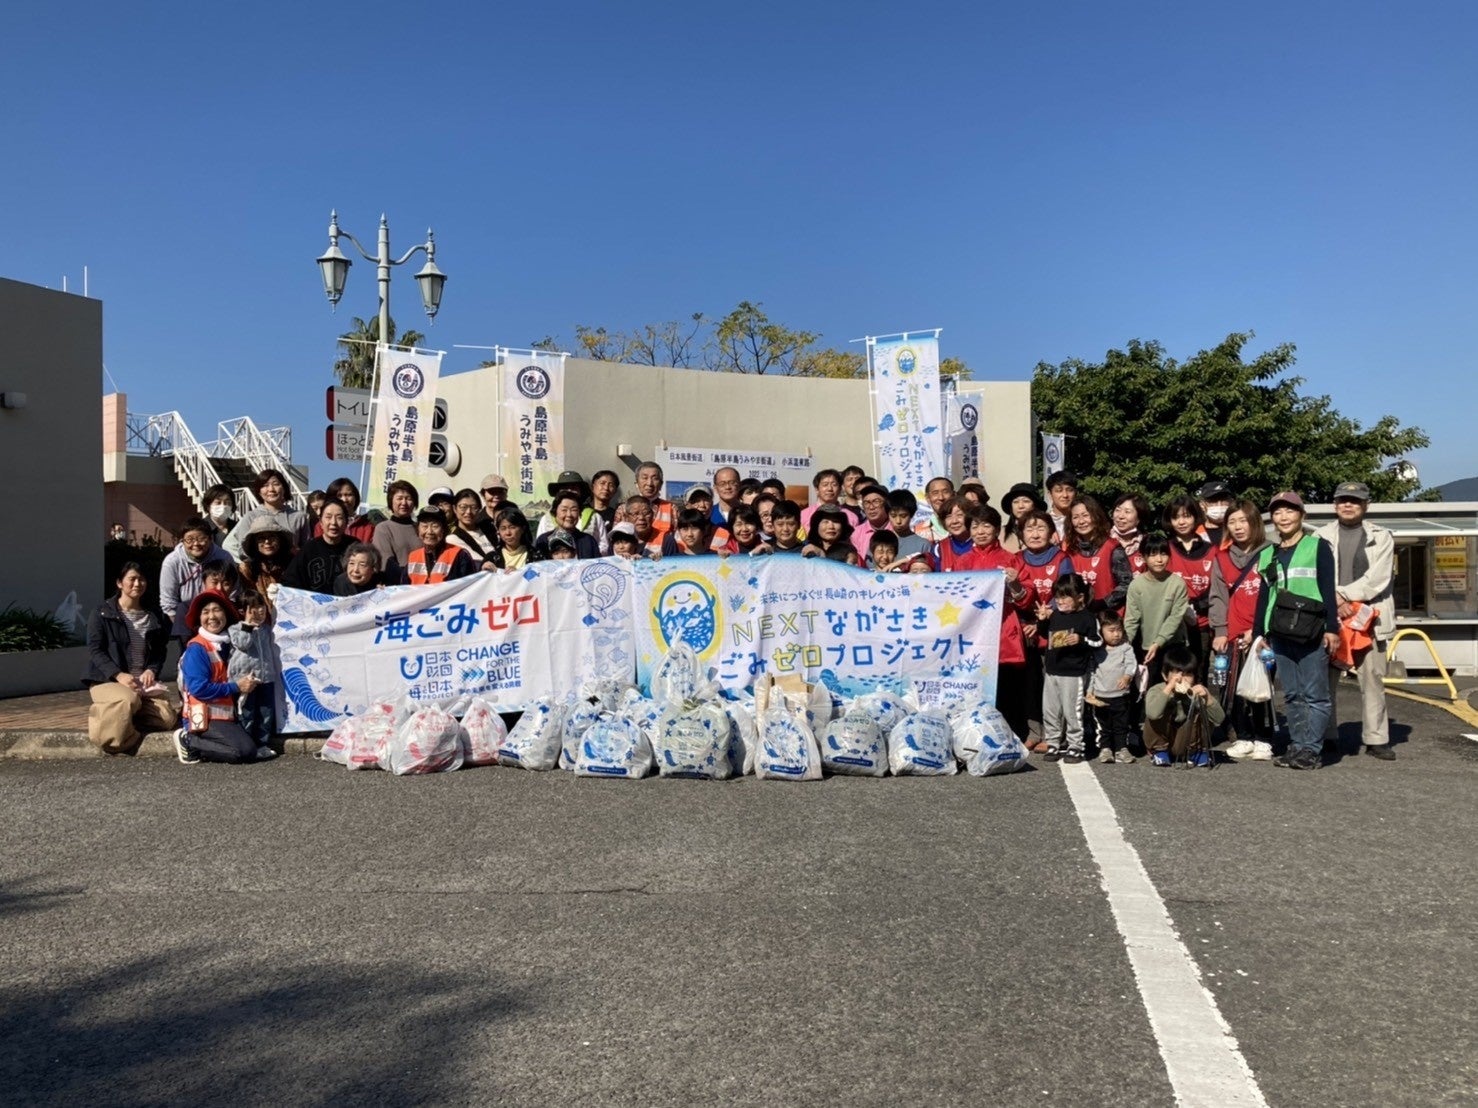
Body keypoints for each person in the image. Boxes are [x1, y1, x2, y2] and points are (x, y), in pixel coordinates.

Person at [1254, 491, 1341, 771]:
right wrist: (1260, 633)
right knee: (1292, 694)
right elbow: (1264, 596)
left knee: (1316, 694)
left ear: (1302, 515)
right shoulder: (1267, 552)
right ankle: (1296, 746)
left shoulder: (1317, 547)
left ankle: (1311, 750)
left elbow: (1328, 588)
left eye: (1290, 511)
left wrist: (1332, 628)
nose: (1284, 517)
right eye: (1278, 512)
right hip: (1279, 632)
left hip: (1312, 630)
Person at [1316, 481, 1396, 760]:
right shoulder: (1319, 535)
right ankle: (1327, 736)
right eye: (1342, 500)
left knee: (1372, 679)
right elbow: (1316, 574)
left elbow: (1379, 578)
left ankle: (1377, 738)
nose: (1347, 505)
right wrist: (1335, 602)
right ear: (1335, 505)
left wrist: (1341, 596)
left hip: (1370, 617)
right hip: (1331, 616)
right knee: (1326, 680)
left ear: (1366, 505)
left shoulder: (1382, 536)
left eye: (1354, 500)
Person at [82, 563, 175, 755]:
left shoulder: (154, 616)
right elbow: (95, 650)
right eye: (132, 579)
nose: (137, 584)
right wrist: (118, 675)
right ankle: (110, 729)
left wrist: (151, 670)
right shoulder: (102, 613)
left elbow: (159, 650)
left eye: (141, 579)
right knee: (129, 699)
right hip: (106, 680)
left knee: (166, 718)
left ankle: (121, 716)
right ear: (119, 583)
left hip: (140, 684)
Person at [174, 590, 276, 765]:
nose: (212, 617)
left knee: (250, 743)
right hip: (204, 718)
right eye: (206, 612)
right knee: (243, 752)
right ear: (199, 618)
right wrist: (237, 687)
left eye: (217, 610)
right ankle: (189, 741)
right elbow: (199, 689)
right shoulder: (197, 648)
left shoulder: (228, 642)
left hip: (226, 715)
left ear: (226, 614)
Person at [1210, 499, 1276, 760]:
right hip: (1233, 634)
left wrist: (1259, 630)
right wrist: (1220, 631)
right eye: (1232, 522)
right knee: (1232, 687)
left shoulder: (1271, 552)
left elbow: (1276, 594)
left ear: (1255, 522)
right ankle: (1243, 736)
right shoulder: (1222, 557)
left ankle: (1263, 738)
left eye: (1243, 521)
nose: (1237, 527)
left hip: (1262, 634)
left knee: (1263, 685)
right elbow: (1217, 597)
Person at [1016, 509, 1073, 752]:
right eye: (1030, 528)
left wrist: (1045, 615)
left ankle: (1055, 734)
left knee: (1055, 683)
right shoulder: (1016, 559)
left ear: (1051, 533)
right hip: (1025, 630)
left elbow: (1067, 592)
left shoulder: (1061, 558)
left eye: (1041, 528)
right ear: (1021, 534)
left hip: (1056, 628)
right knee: (1030, 683)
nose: (1035, 533)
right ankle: (1033, 731)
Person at [1041, 573, 1101, 764]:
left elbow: (1098, 642)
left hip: (1073, 673)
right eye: (1057, 597)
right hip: (1051, 670)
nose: (1060, 601)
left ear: (1080, 598)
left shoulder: (1087, 618)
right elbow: (1045, 634)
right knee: (1050, 709)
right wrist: (1042, 619)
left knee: (1072, 711)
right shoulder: (1055, 615)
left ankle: (1076, 746)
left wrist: (1081, 639)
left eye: (1065, 597)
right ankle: (1053, 742)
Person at [1143, 644, 1223, 767]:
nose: (1181, 679)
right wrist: (1169, 688)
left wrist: (1207, 698)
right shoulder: (1157, 690)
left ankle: (1196, 752)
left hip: (1184, 742)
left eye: (1187, 674)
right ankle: (1159, 751)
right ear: (1165, 675)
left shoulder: (1197, 692)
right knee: (1155, 710)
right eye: (1176, 674)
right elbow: (1152, 713)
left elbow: (1219, 719)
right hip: (1164, 737)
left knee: (1203, 712)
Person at [1164, 494, 1215, 679]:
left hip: (1201, 623)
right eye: (1176, 517)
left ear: (1195, 517)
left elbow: (1217, 586)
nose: (1181, 522)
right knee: (1173, 671)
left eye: (1186, 516)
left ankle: (1197, 707)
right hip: (1172, 624)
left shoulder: (1211, 550)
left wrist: (1200, 603)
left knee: (1198, 669)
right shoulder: (1165, 549)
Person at [1124, 532, 1190, 670]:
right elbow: (1131, 620)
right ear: (1143, 558)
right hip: (1147, 646)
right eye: (1153, 555)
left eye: (1163, 554)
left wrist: (1158, 642)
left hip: (1174, 645)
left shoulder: (1177, 583)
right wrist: (1123, 646)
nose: (1159, 559)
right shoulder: (1136, 585)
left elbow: (1175, 617)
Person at [160, 516, 231, 641]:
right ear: (182, 541)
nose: (196, 544)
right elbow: (168, 602)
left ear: (210, 539)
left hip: (219, 614)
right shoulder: (172, 561)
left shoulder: (224, 557)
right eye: (189, 540)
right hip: (186, 617)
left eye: (201, 539)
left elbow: (234, 591)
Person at [1063, 496, 1132, 614]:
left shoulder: (1112, 548)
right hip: (1079, 617)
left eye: (1085, 515)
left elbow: (1127, 584)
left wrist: (1104, 602)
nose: (1081, 521)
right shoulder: (1069, 551)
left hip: (1109, 617)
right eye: (1075, 517)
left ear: (1096, 516)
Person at [223, 468, 311, 560]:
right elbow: (243, 549)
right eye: (265, 485)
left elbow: (306, 549)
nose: (271, 489)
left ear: (284, 488)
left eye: (276, 484)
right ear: (259, 491)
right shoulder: (250, 516)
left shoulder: (299, 517)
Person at [1087, 611, 1138, 763]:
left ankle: (1122, 748)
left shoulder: (1125, 647)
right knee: (1103, 726)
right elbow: (1091, 671)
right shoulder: (1096, 650)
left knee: (1121, 724)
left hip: (1121, 694)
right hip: (1101, 695)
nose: (1116, 634)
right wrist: (1089, 691)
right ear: (1100, 631)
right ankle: (1105, 748)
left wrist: (1128, 676)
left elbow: (1131, 663)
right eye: (1111, 630)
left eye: (1119, 630)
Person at [228, 591, 278, 747]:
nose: (259, 611)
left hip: (266, 678)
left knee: (266, 714)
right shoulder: (235, 629)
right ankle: (247, 745)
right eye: (254, 608)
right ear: (243, 611)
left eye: (261, 606)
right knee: (247, 714)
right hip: (246, 680)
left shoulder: (267, 630)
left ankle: (263, 745)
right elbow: (243, 644)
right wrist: (248, 625)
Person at [283, 499, 352, 592]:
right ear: (321, 522)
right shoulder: (309, 549)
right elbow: (291, 581)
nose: (333, 522)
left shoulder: (355, 547)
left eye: (339, 517)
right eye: (328, 517)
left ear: (346, 522)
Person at [536, 471, 610, 554]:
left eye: (574, 488)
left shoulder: (595, 517)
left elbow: (603, 544)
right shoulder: (546, 519)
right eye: (565, 488)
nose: (569, 491)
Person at [405, 507, 479, 583]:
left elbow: (470, 586)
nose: (429, 531)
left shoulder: (460, 555)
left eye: (435, 526)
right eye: (425, 526)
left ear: (444, 529)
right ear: (418, 529)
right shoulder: (413, 557)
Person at [236, 517, 295, 605]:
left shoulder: (293, 563)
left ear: (280, 540)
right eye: (261, 538)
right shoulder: (247, 569)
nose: (267, 541)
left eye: (272, 536)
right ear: (254, 543)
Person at [372, 480, 421, 580]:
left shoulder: (421, 528)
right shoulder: (383, 528)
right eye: (399, 498)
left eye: (408, 498)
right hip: (396, 585)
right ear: (391, 501)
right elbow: (386, 562)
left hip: (421, 584)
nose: (404, 503)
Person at [533, 492, 602, 560]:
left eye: (574, 510)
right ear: (555, 513)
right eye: (564, 510)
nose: (569, 514)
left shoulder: (589, 541)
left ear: (579, 513)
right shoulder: (543, 540)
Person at [448, 487, 499, 567]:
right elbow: (475, 562)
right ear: (455, 509)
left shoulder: (489, 529)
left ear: (479, 509)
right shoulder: (452, 539)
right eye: (463, 507)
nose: (468, 512)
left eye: (473, 507)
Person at [887, 489, 934, 565]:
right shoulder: (879, 541)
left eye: (903, 516)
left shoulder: (923, 545)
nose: (898, 521)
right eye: (893, 516)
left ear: (911, 515)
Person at [1109, 494, 1152, 576]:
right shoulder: (1102, 540)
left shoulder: (1148, 543)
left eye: (1127, 512)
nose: (1120, 516)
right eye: (1117, 510)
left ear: (1139, 518)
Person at [325, 477, 376, 543]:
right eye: (339, 495)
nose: (344, 500)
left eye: (349, 495)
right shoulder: (322, 525)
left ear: (356, 497)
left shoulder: (368, 526)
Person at [849, 483, 891, 561]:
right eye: (866, 503)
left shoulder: (896, 529)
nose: (871, 507)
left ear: (887, 504)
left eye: (876, 501)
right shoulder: (856, 533)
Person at [1000, 482, 1046, 553]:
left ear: (1035, 505)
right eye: (1015, 502)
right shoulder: (1000, 533)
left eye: (1026, 501)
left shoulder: (1046, 532)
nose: (1021, 506)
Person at [636, 462, 676, 540]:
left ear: (661, 484)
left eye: (655, 478)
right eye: (645, 478)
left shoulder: (671, 508)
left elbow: (677, 538)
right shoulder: (624, 508)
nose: (649, 483)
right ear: (637, 483)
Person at [913, 477, 955, 543]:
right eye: (935, 493)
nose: (941, 497)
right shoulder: (919, 531)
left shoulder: (966, 524)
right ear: (927, 498)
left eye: (945, 492)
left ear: (954, 495)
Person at [1197, 480, 1236, 549]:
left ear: (1231, 502)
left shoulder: (1237, 530)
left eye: (1224, 500)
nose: (1219, 505)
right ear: (1202, 505)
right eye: (1213, 500)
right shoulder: (1194, 533)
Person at [1044, 470, 1079, 543]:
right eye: (1059, 491)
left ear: (1075, 493)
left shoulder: (1083, 521)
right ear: (1050, 494)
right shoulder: (1043, 521)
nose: (1065, 495)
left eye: (1070, 490)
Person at [200, 483, 238, 548]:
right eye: (218, 503)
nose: (223, 506)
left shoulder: (237, 528)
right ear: (208, 506)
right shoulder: (199, 528)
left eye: (227, 503)